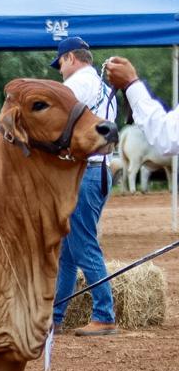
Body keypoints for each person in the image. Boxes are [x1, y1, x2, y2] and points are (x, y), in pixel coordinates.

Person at [49, 36, 117, 336]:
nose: (60, 70)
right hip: (98, 171)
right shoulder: (103, 86)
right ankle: (55, 316)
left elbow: (53, 118)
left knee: (83, 245)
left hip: (85, 172)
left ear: (71, 58)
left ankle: (104, 315)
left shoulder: (77, 83)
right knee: (68, 250)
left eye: (60, 63)